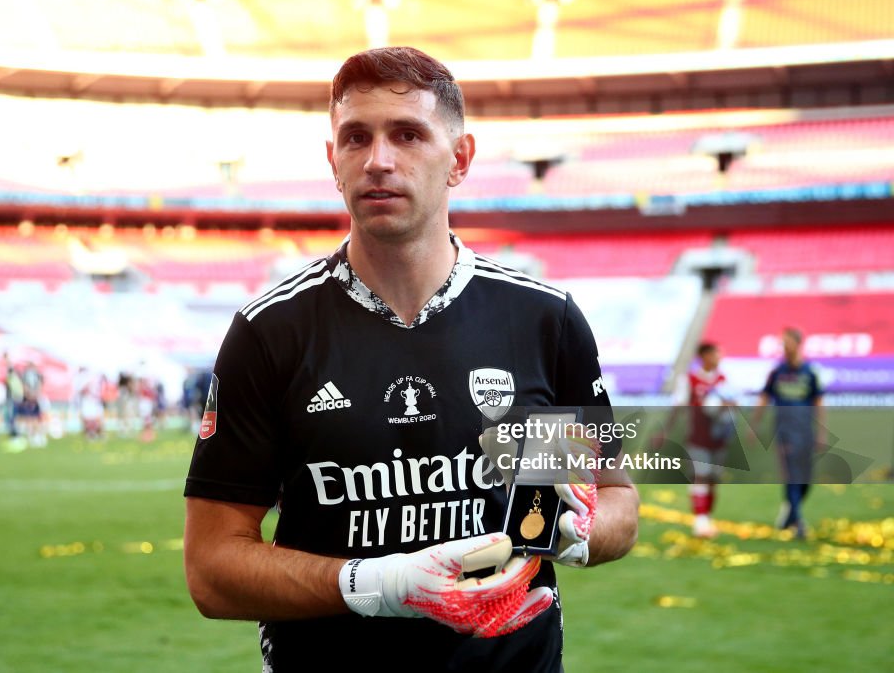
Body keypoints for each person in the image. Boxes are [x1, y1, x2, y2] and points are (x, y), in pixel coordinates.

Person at [183, 46, 639, 672]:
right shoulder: (271, 332)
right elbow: (212, 570)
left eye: (407, 135)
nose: (378, 160)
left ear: (459, 159)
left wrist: (572, 531)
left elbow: (616, 498)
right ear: (332, 161)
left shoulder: (541, 321)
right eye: (356, 137)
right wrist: (383, 586)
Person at [653, 342, 736, 538]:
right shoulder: (689, 379)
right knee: (701, 475)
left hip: (718, 439)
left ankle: (706, 516)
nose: (718, 358)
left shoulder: (723, 380)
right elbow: (678, 406)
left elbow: (733, 405)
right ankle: (700, 521)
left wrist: (728, 407)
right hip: (697, 437)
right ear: (704, 356)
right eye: (715, 354)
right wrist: (664, 431)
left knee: (714, 479)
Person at [750, 327, 826, 539]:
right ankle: (798, 521)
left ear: (797, 343)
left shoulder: (810, 372)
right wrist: (754, 425)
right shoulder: (777, 372)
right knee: (792, 474)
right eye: (782, 343)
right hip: (784, 431)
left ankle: (789, 513)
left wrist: (821, 432)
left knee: (806, 478)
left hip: (805, 430)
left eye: (787, 342)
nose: (784, 346)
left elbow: (819, 402)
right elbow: (764, 398)